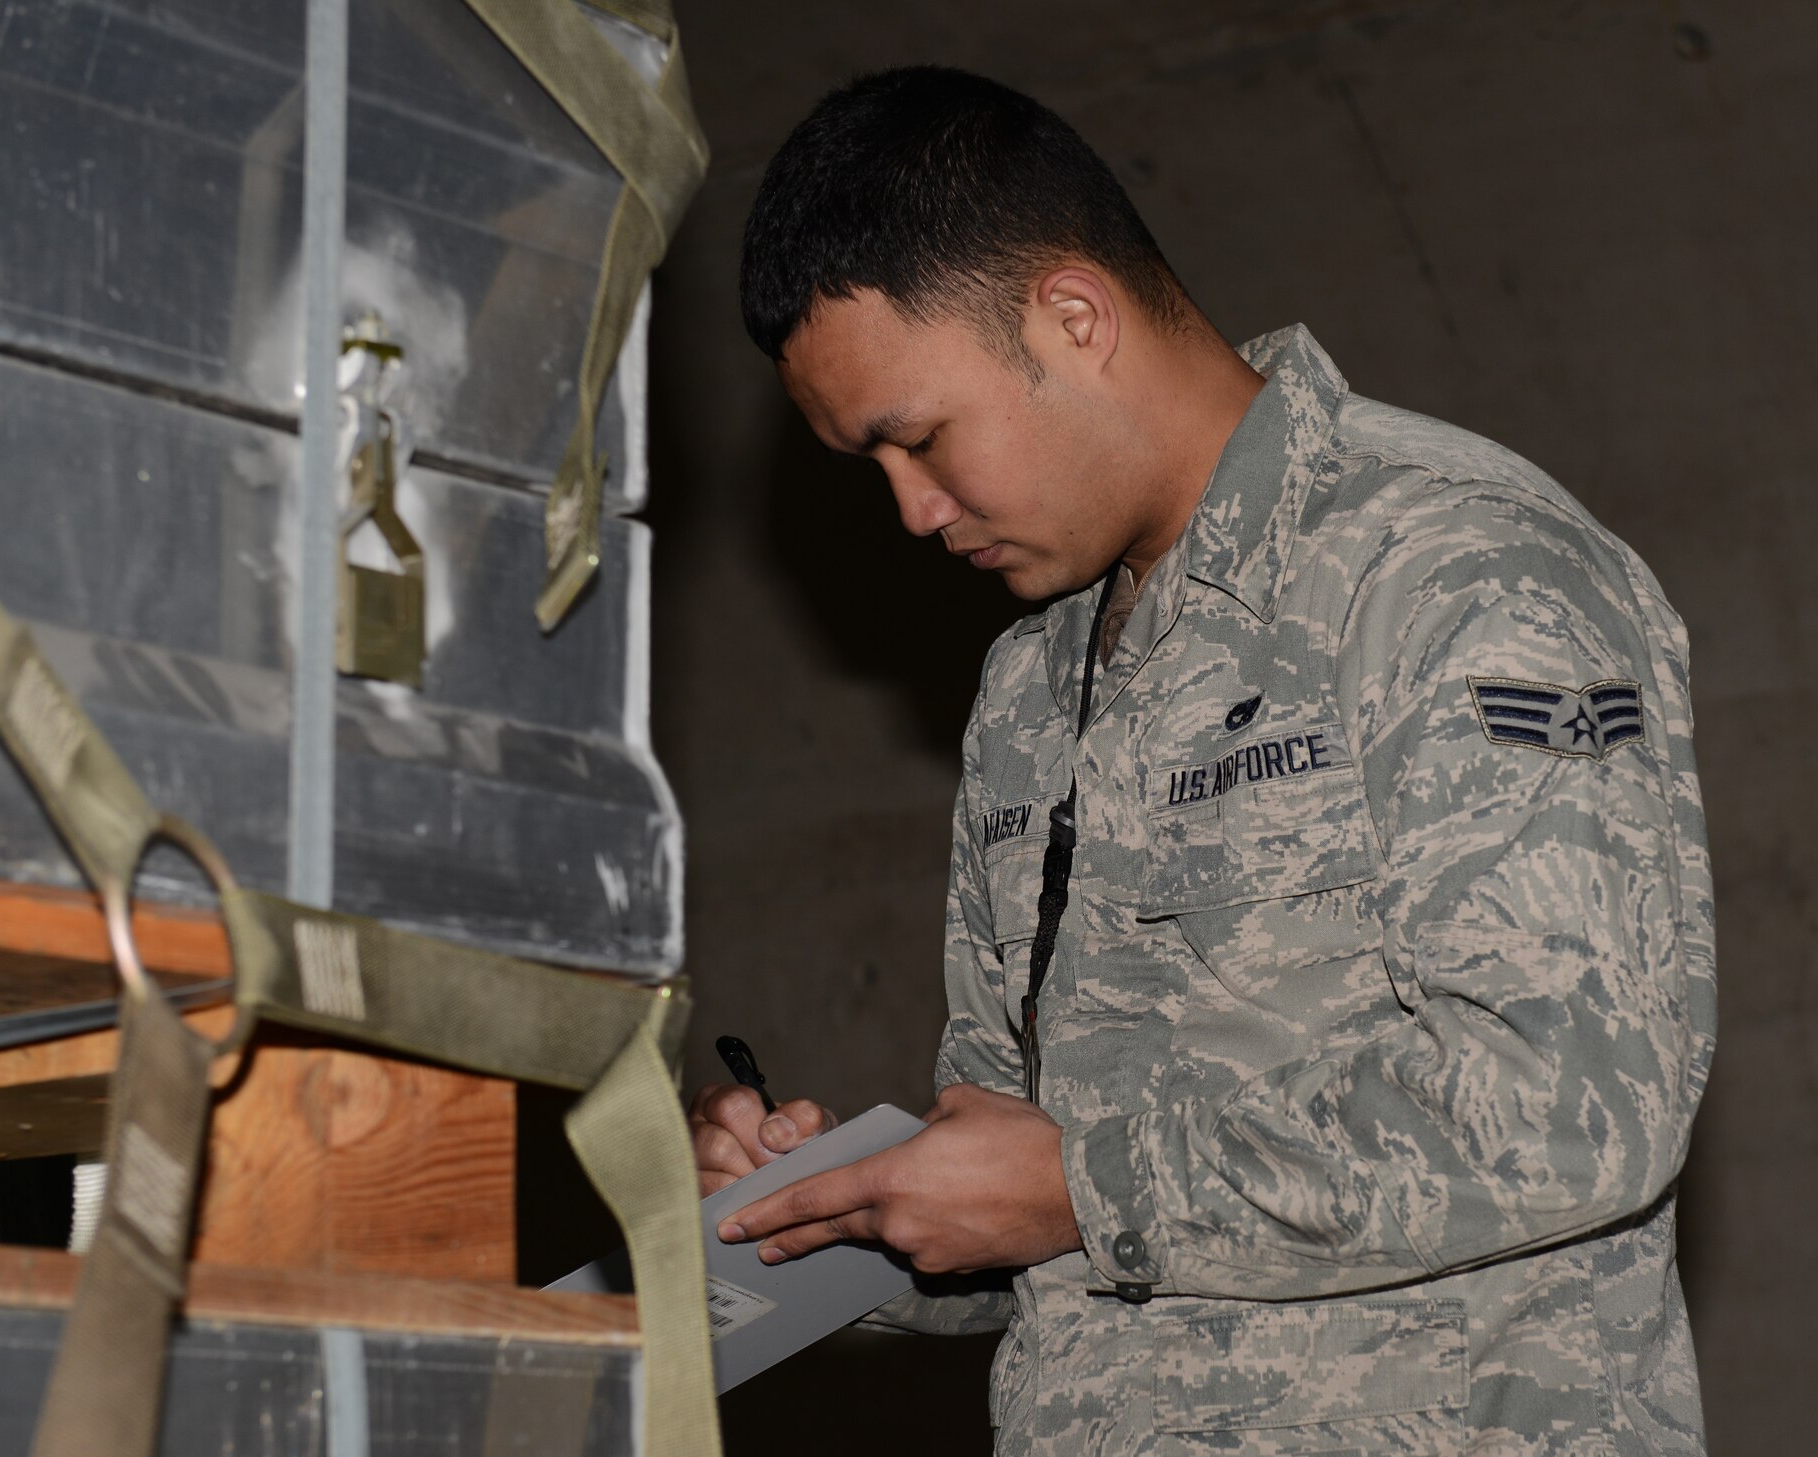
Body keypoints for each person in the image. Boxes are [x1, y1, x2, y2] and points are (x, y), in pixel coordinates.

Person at [689, 65, 1715, 1456]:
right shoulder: (1031, 689)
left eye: (919, 441)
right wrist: (828, 1208)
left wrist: (1080, 1181)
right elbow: (1046, 1213)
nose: (914, 513)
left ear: (1072, 316)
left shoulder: (1452, 568)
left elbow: (1575, 1100)